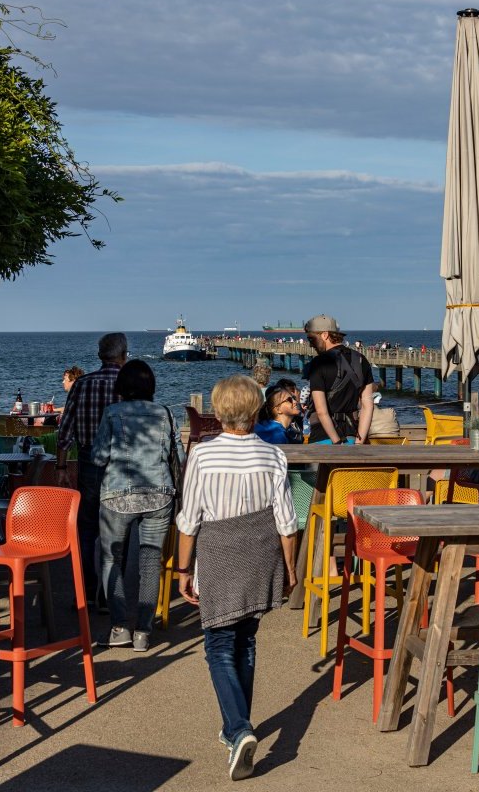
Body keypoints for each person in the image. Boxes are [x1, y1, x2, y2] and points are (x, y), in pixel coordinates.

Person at [175, 375, 299, 780]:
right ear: (256, 409)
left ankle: (239, 728)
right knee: (245, 640)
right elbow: (287, 522)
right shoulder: (273, 456)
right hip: (261, 554)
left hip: (220, 553)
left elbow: (190, 519)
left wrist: (181, 569)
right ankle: (236, 728)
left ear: (219, 411)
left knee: (218, 644)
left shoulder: (203, 456)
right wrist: (290, 570)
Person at [92, 360, 182, 652]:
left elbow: (98, 456)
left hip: (118, 494)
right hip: (160, 493)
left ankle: (119, 627)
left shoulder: (112, 413)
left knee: (110, 559)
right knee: (149, 563)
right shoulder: (165, 413)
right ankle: (143, 631)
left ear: (122, 387)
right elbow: (176, 454)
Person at [56, 333, 127, 606]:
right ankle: (110, 593)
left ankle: (87, 585)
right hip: (122, 463)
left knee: (86, 527)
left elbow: (66, 429)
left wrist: (61, 465)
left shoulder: (82, 384)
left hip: (88, 460)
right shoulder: (127, 386)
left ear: (100, 355)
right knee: (119, 526)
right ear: (122, 355)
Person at [302, 314, 374, 444]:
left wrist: (337, 443)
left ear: (325, 335)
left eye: (312, 339)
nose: (310, 344)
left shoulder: (319, 363)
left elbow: (321, 411)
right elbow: (368, 406)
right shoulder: (361, 360)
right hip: (352, 434)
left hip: (322, 437)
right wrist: (359, 443)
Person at [254, 378, 305, 445]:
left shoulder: (265, 424)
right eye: (289, 400)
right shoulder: (278, 436)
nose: (295, 402)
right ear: (278, 409)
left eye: (294, 398)